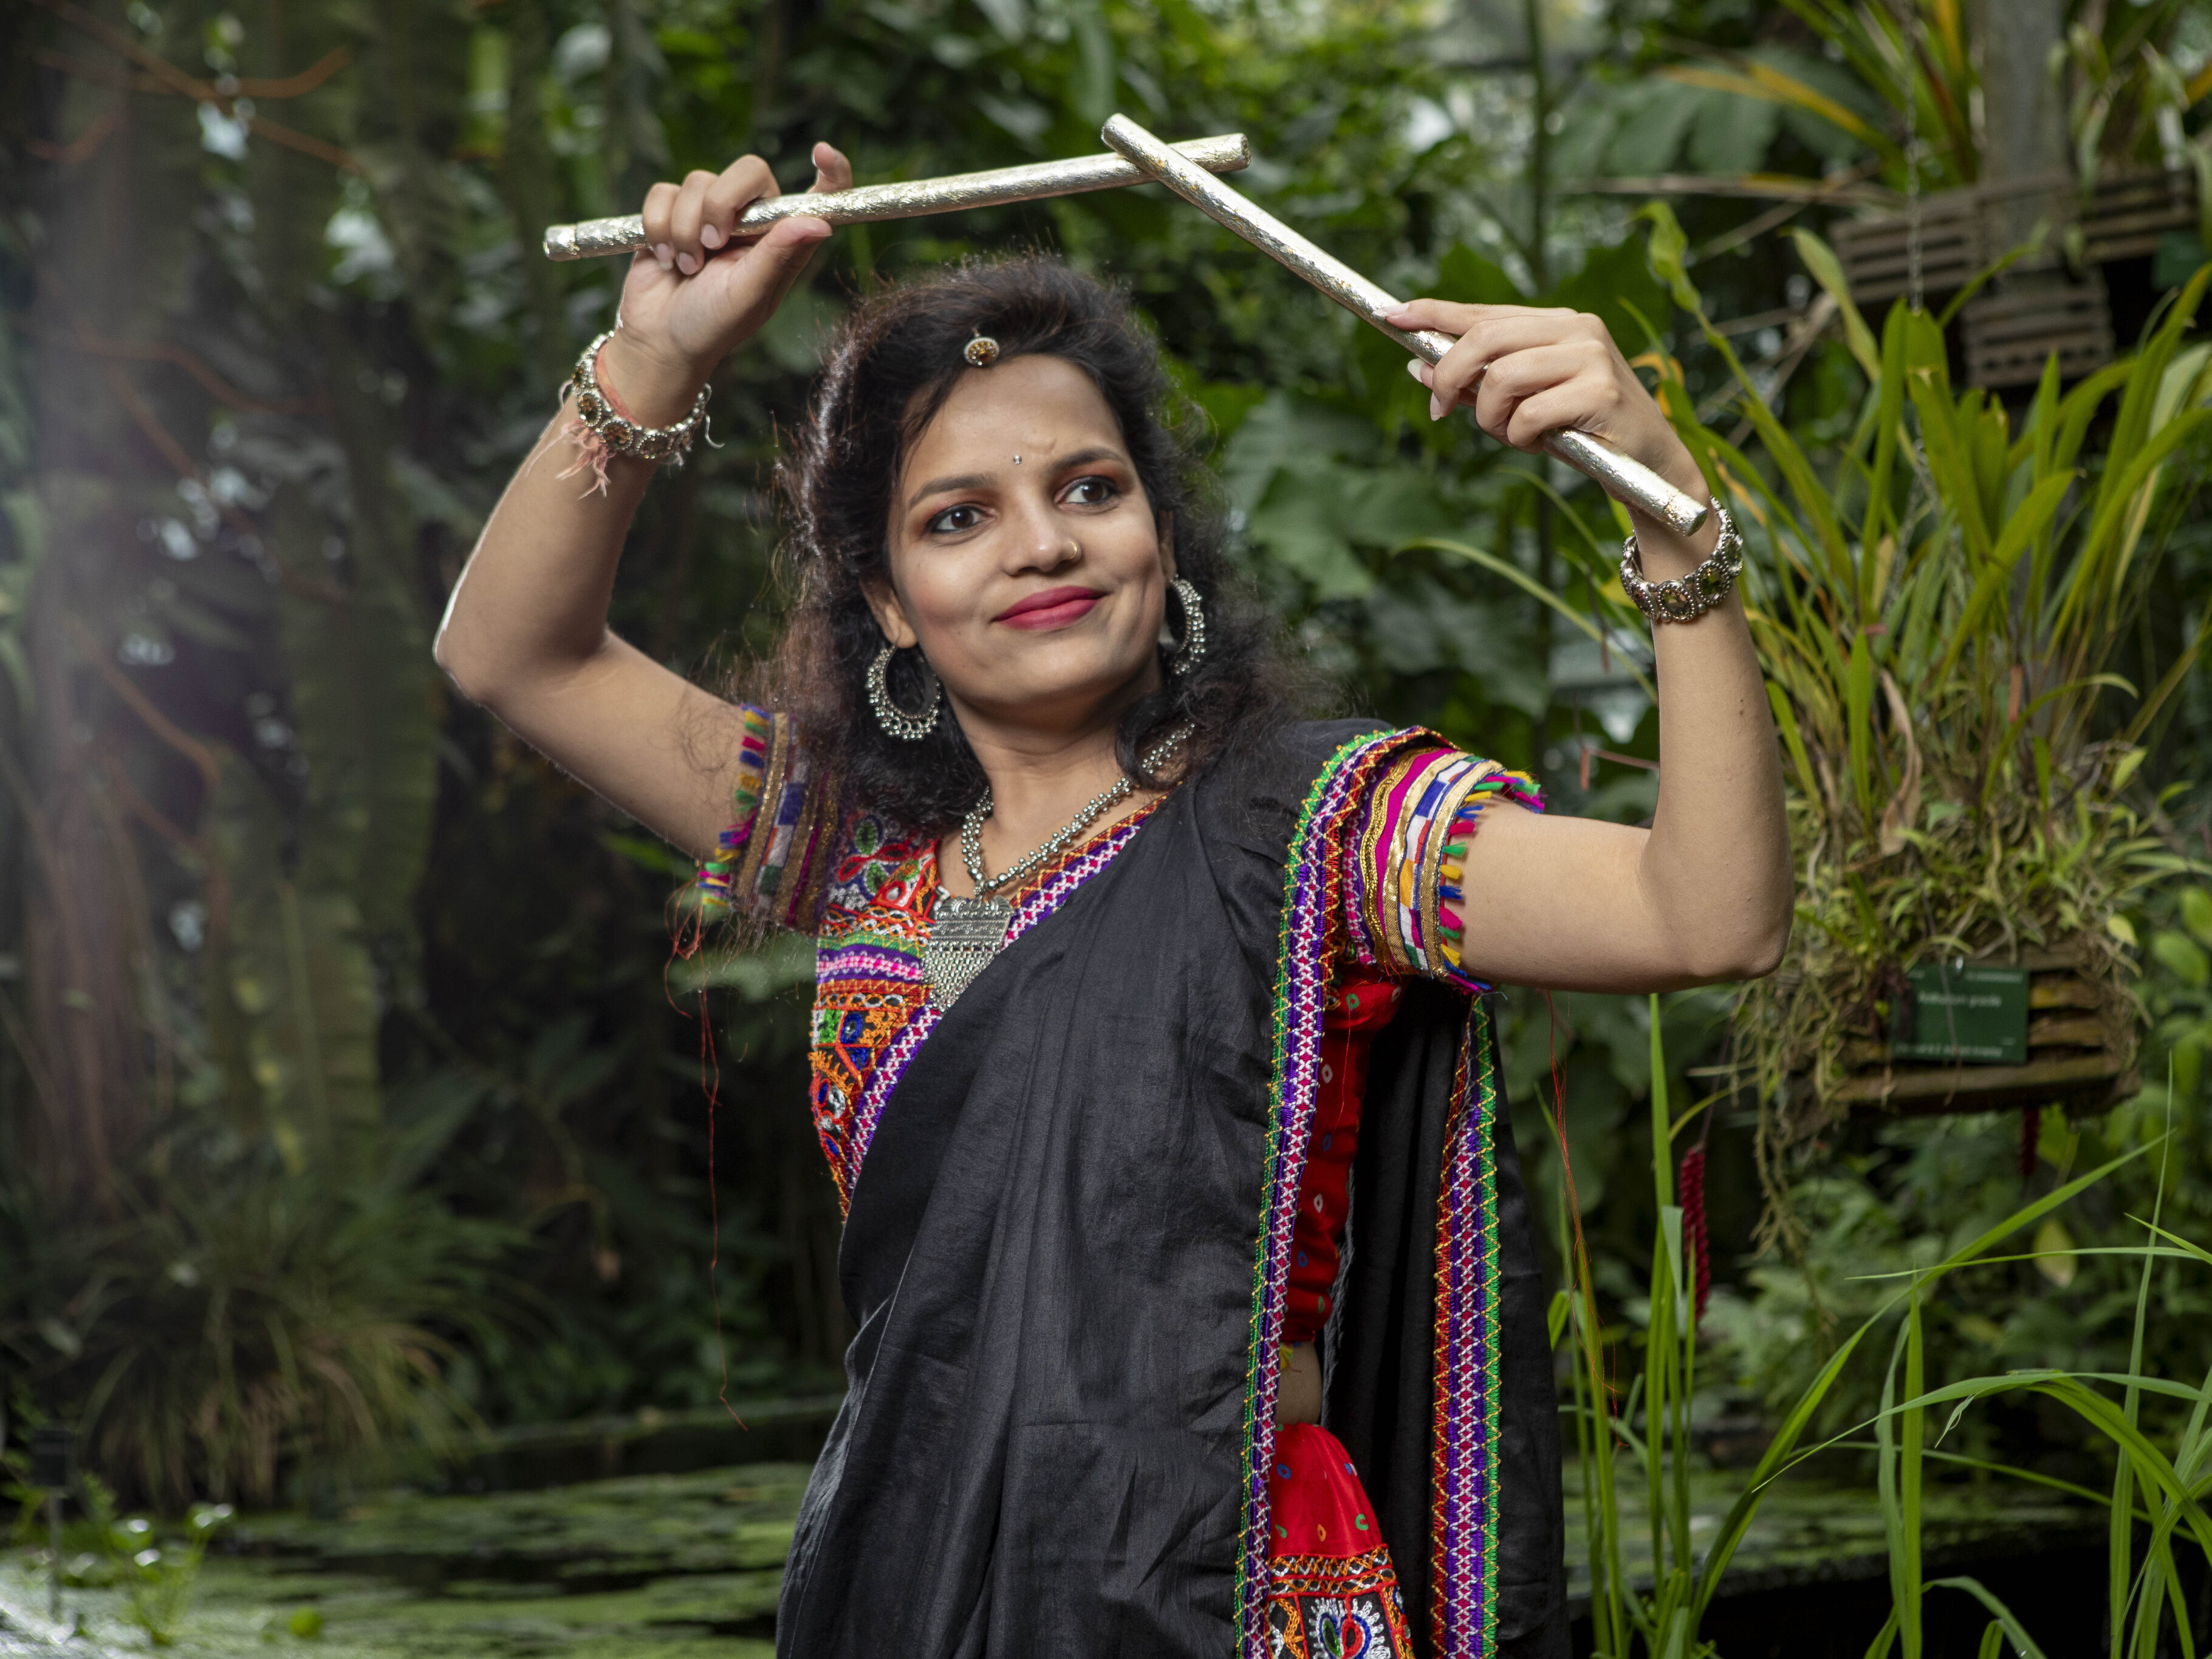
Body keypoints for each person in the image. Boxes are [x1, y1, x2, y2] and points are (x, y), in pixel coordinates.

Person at [434, 140, 1790, 1659]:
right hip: (919, 1581)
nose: (1042, 544)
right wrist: (648, 356)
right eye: (957, 517)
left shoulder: (1318, 832)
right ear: (885, 598)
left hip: (1220, 1592)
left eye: (1089, 487)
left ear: (1159, 533)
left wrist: (1666, 504)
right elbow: (513, 656)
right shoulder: (863, 848)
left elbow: (1704, 915)